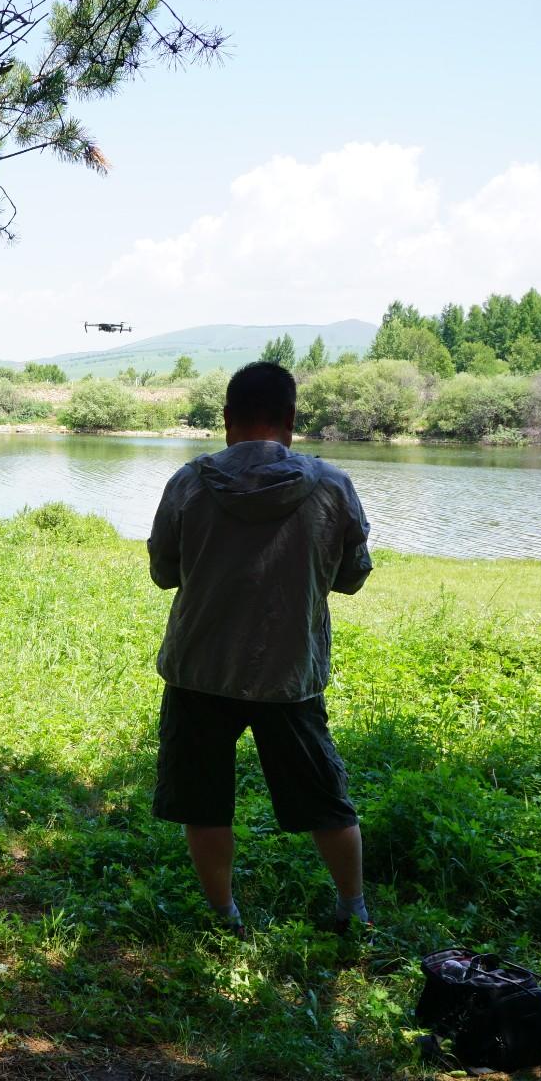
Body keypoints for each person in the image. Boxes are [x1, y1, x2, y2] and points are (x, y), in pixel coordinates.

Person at [146, 361, 374, 937]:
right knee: (324, 796)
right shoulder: (331, 486)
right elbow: (352, 576)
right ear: (291, 420)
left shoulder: (188, 483)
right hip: (289, 672)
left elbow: (164, 574)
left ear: (226, 420)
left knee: (203, 802)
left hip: (199, 668)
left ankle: (225, 917)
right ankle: (353, 908)